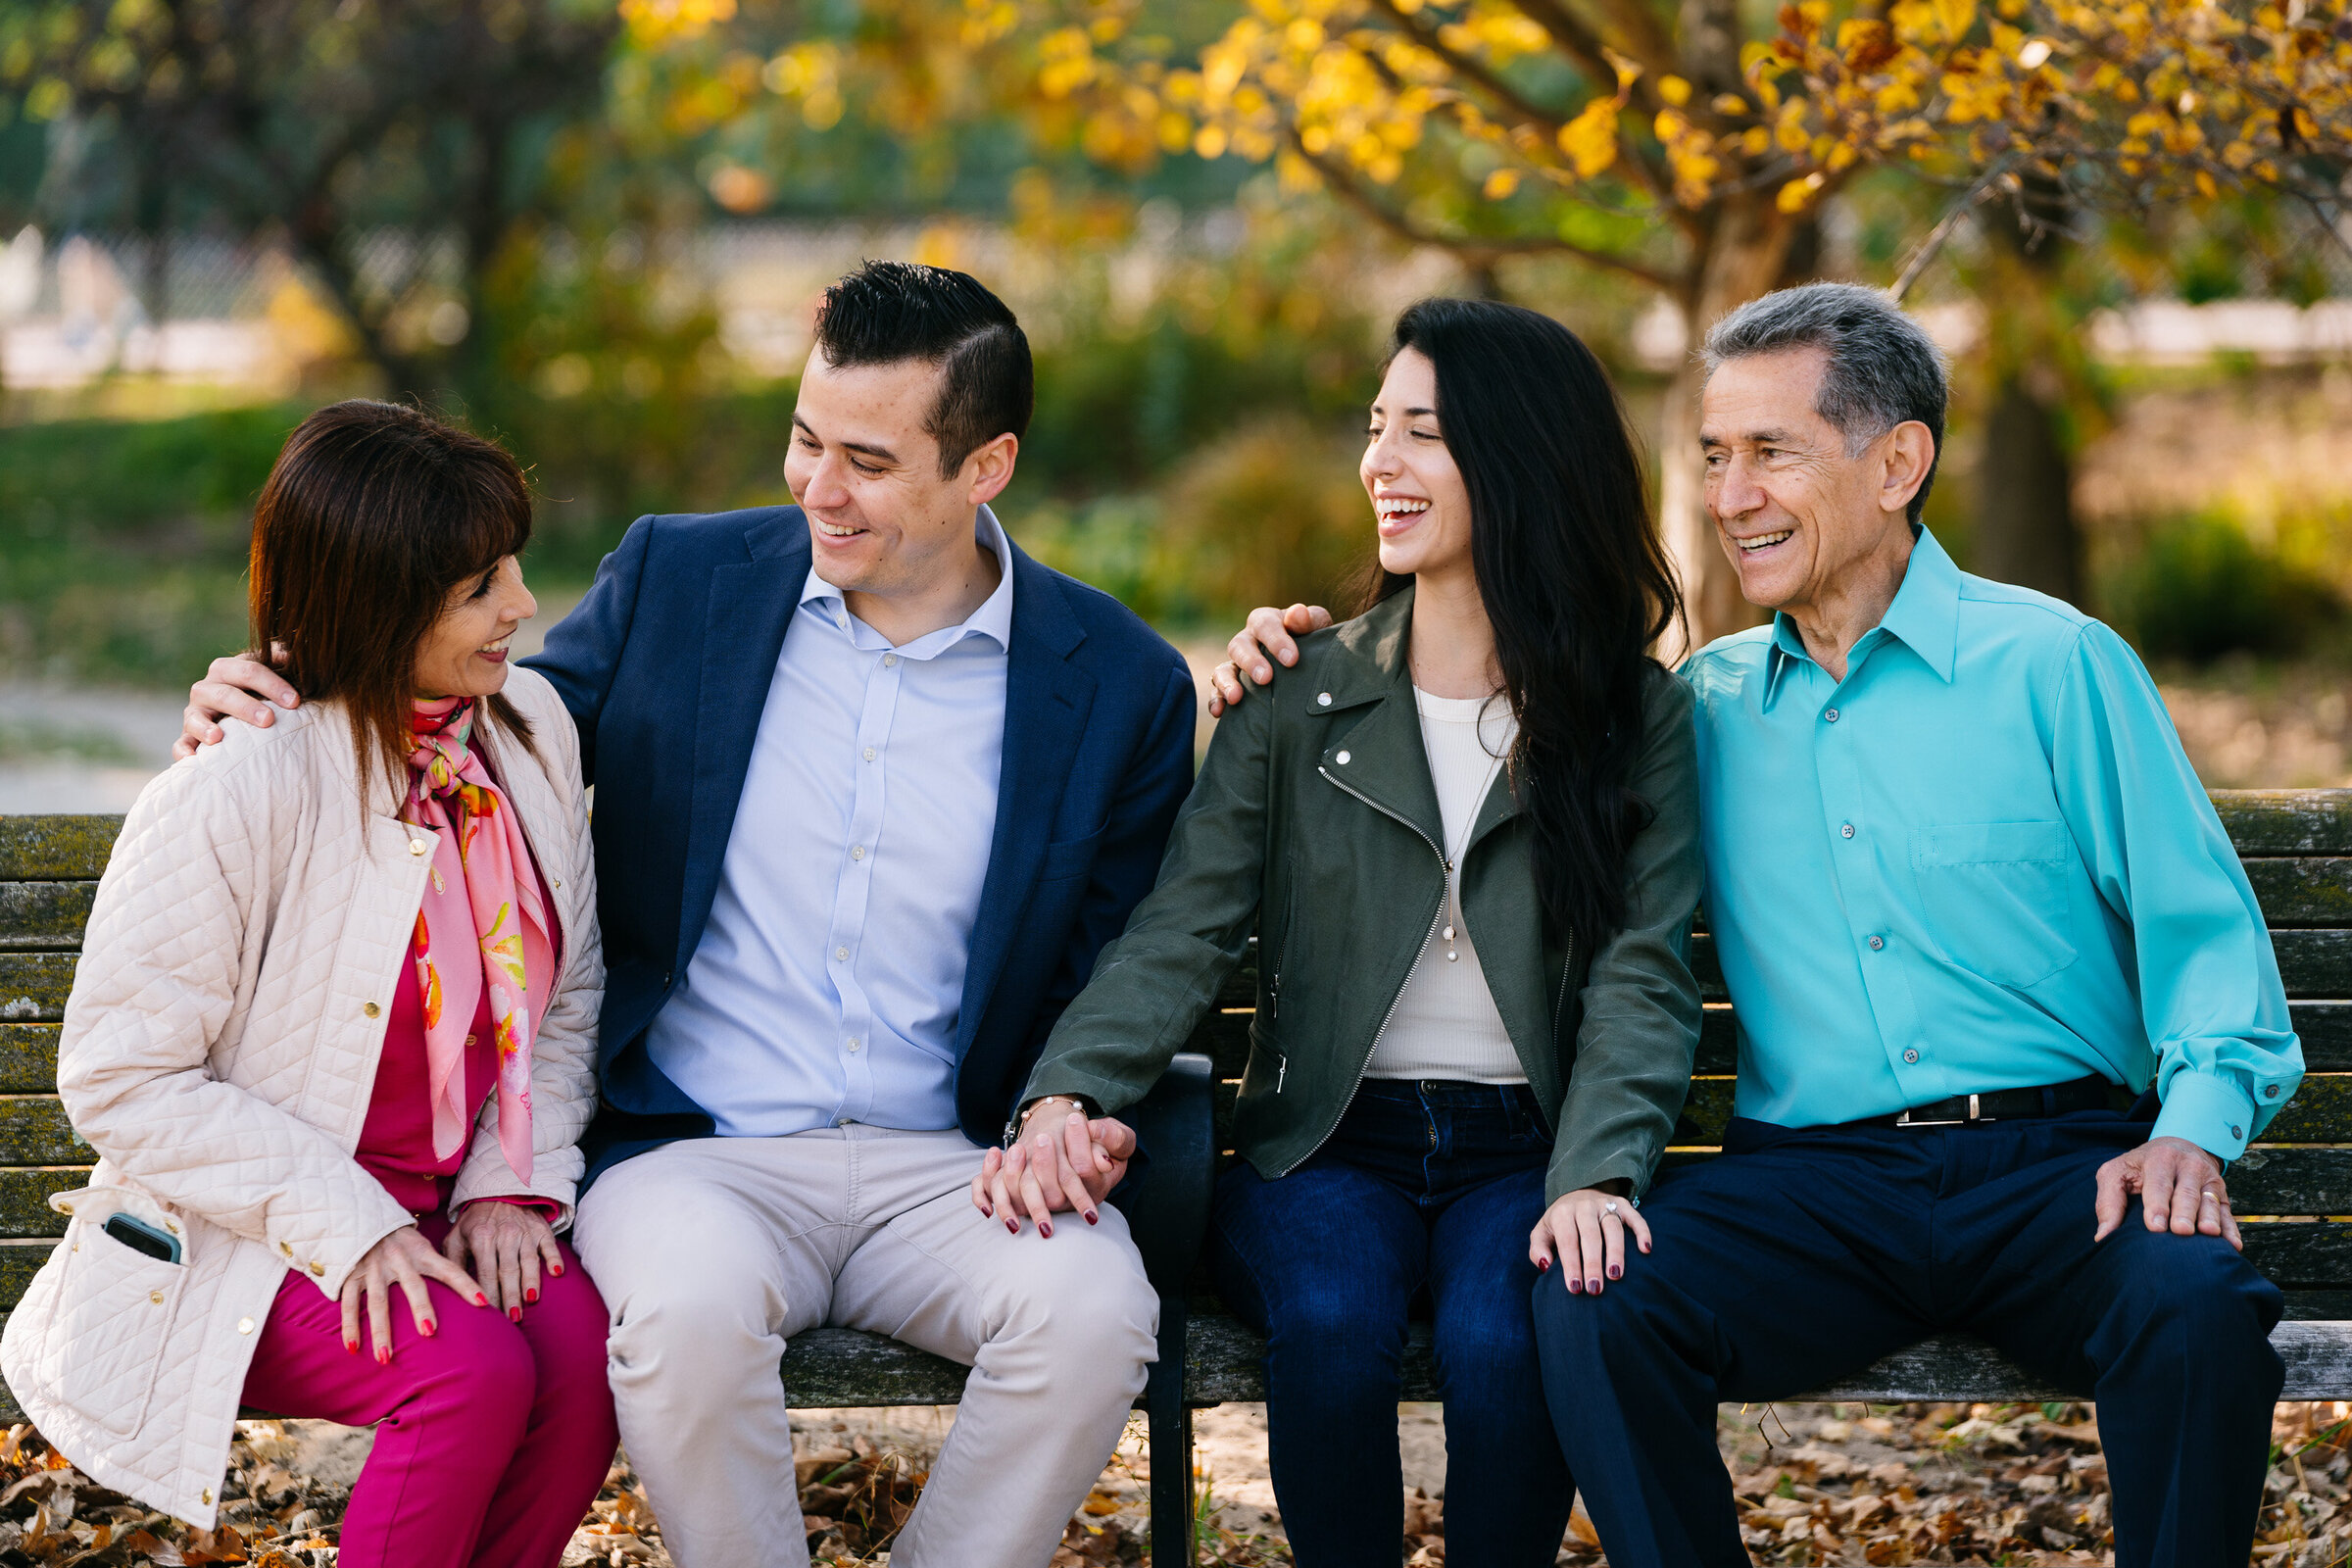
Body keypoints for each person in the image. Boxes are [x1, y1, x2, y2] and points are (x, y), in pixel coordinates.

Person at [1212, 281, 2302, 1568]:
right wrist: (1285, 664)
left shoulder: (2055, 666)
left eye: (1771, 453)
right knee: (1594, 1295)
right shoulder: (1699, 710)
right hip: (1812, 1187)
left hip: (2058, 1168)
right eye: (1714, 458)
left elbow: (2204, 935)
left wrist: (2190, 1132)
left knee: (2197, 1304)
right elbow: (1487, 730)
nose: (1730, 498)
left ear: (1899, 462)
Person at [177, 262, 1197, 1568]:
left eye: (870, 462)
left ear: (986, 465)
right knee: (679, 1318)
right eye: (805, 439)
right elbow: (473, 732)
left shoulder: (1116, 681)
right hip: (695, 1152)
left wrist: (1070, 1106)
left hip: (954, 1163)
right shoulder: (683, 580)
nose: (817, 488)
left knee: (1097, 1309)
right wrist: (279, 698)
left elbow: (1118, 955)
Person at [1002, 297, 1703, 1565]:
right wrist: (1069, 1089)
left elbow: (1644, 972)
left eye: (1421, 432)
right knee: (1327, 1317)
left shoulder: (1626, 715)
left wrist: (1596, 1169)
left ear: (1521, 454)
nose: (1379, 462)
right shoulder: (1297, 695)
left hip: (1524, 1151)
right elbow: (1184, 928)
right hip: (1328, 1148)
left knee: (1508, 1336)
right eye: (1377, 427)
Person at [5, 401, 616, 1566]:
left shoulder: (529, 730)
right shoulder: (237, 789)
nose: (525, 604)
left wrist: (506, 1183)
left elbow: (566, 1000)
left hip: (453, 1202)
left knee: (583, 1367)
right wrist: (353, 1223)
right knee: (469, 1376)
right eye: (481, 583)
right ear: (384, 604)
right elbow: (122, 1079)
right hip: (255, 1231)